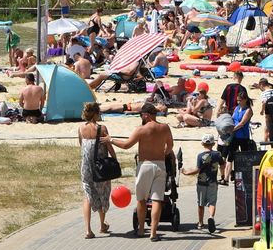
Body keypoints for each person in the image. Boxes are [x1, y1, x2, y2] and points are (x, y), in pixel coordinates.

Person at [107, 102, 174, 241]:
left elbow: (126, 145)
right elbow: (170, 146)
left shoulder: (141, 129)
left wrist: (111, 140)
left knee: (141, 199)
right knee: (157, 199)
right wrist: (164, 153)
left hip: (145, 165)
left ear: (146, 115)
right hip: (160, 165)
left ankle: (142, 230)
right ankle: (154, 233)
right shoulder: (165, 127)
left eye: (141, 115)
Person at [78, 102, 114, 239]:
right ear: (95, 113)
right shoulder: (102, 128)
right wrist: (115, 160)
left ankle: (88, 230)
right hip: (101, 167)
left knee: (88, 195)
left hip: (86, 166)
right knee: (102, 193)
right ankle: (102, 225)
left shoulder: (81, 128)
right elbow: (109, 147)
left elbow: (82, 146)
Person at [181, 134, 224, 232]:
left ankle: (200, 223)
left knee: (201, 203)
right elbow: (222, 165)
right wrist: (223, 177)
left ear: (202, 144)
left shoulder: (200, 156)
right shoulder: (217, 154)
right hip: (213, 182)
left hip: (201, 182)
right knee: (212, 202)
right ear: (213, 144)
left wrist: (186, 173)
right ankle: (211, 217)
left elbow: (197, 169)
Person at [220, 89, 256, 185]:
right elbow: (232, 119)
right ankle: (226, 178)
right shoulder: (236, 108)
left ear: (245, 100)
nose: (238, 102)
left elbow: (242, 123)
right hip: (234, 136)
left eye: (240, 100)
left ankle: (245, 178)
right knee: (230, 156)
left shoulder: (248, 110)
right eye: (238, 100)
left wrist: (232, 129)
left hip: (243, 137)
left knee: (244, 158)